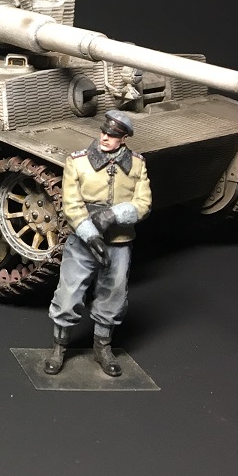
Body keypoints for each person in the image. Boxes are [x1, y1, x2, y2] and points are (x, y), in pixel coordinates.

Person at [45, 110, 152, 377]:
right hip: (82, 241)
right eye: (104, 132)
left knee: (114, 295)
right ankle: (59, 348)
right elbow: (71, 203)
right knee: (69, 294)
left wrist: (113, 215)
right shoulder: (77, 162)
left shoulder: (137, 165)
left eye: (113, 135)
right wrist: (90, 234)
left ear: (123, 138)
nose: (105, 137)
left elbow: (144, 203)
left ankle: (102, 347)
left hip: (119, 241)